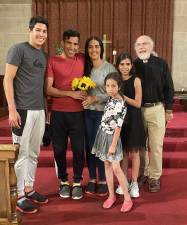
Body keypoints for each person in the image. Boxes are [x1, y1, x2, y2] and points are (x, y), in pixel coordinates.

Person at [3, 16, 49, 214]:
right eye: (38, 30)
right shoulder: (18, 50)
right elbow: (7, 80)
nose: (41, 34)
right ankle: (19, 194)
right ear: (29, 30)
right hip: (22, 110)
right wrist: (12, 110)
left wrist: (46, 112)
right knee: (21, 154)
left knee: (34, 152)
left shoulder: (43, 56)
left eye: (44, 31)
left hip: (39, 109)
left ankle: (29, 188)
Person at [46, 29, 86, 200]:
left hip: (78, 114)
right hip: (58, 113)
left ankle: (77, 182)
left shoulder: (83, 59)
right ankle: (63, 181)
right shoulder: (52, 61)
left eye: (75, 44)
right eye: (69, 43)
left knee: (78, 149)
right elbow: (48, 89)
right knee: (59, 149)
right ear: (63, 43)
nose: (72, 47)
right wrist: (71, 93)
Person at [134, 35, 174, 192]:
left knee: (156, 145)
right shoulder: (133, 65)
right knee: (140, 146)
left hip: (157, 109)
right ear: (135, 48)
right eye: (138, 44)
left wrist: (169, 109)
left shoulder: (161, 64)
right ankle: (143, 173)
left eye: (145, 44)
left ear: (151, 46)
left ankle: (155, 177)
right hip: (138, 110)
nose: (142, 46)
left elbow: (169, 87)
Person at [92, 72, 133, 212]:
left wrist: (113, 145)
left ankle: (127, 198)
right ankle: (111, 196)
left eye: (113, 86)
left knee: (116, 168)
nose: (110, 89)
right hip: (103, 135)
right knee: (107, 165)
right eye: (107, 86)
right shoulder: (111, 98)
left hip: (112, 139)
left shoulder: (120, 103)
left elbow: (118, 127)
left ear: (119, 86)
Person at [83, 36, 116, 196]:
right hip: (87, 113)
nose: (93, 50)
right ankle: (91, 178)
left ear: (101, 48)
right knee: (89, 146)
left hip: (103, 113)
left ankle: (103, 179)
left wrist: (96, 98)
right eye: (90, 47)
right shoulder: (85, 67)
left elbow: (115, 92)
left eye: (96, 46)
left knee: (100, 146)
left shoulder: (109, 68)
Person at [115, 52, 146, 198]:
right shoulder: (116, 80)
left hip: (133, 119)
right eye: (122, 64)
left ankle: (134, 183)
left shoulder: (136, 80)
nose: (125, 67)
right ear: (118, 65)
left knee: (134, 153)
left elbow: (138, 103)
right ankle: (124, 182)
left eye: (128, 64)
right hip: (120, 120)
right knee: (123, 154)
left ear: (131, 65)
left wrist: (122, 96)